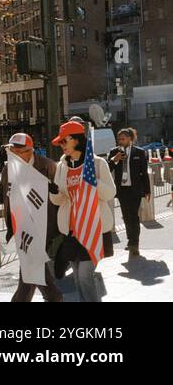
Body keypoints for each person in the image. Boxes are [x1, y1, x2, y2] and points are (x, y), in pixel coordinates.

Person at [0, 133, 62, 302]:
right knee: (32, 267)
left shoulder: (47, 166)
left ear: (30, 150)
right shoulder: (8, 168)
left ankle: (49, 298)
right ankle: (54, 298)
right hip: (20, 226)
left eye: (19, 150)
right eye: (12, 150)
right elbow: (4, 192)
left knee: (30, 266)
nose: (15, 154)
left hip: (43, 226)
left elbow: (61, 194)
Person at [49, 121, 117, 302]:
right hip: (71, 231)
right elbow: (59, 200)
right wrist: (54, 193)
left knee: (85, 275)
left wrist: (93, 181)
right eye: (60, 143)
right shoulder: (62, 166)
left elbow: (110, 193)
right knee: (78, 277)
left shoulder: (97, 163)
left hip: (94, 228)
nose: (61, 146)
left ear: (76, 139)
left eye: (64, 141)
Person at [107, 128, 149, 257]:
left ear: (130, 139)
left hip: (135, 189)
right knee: (126, 216)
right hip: (122, 190)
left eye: (123, 139)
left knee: (134, 216)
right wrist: (115, 159)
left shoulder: (139, 152)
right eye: (119, 139)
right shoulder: (114, 152)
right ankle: (130, 240)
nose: (120, 141)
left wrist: (147, 190)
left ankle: (134, 244)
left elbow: (144, 172)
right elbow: (107, 168)